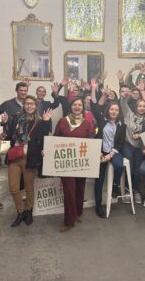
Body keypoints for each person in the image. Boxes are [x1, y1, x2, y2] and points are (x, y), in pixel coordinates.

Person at [4, 95, 53, 227]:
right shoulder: (16, 118)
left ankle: (29, 211)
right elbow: (10, 134)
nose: (29, 106)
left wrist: (47, 121)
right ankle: (20, 212)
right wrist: (4, 125)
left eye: (32, 104)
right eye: (27, 104)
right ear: (23, 105)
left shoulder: (39, 120)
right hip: (14, 157)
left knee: (28, 187)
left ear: (36, 106)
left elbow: (43, 137)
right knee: (14, 188)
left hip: (29, 157)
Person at [54, 97, 92, 232]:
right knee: (69, 190)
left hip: (81, 161)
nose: (77, 107)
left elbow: (90, 142)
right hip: (66, 163)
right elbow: (55, 139)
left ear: (83, 107)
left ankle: (78, 213)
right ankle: (69, 221)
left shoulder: (87, 123)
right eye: (74, 104)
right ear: (71, 107)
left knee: (80, 187)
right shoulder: (62, 121)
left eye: (79, 105)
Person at [91, 87, 126, 218]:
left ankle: (116, 184)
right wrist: (94, 90)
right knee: (99, 179)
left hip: (113, 152)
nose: (114, 111)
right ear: (108, 110)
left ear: (119, 112)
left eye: (116, 110)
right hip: (101, 152)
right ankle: (98, 205)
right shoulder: (102, 121)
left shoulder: (122, 125)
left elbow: (121, 143)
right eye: (112, 109)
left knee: (119, 165)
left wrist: (111, 154)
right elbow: (94, 106)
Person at [120, 94, 145, 204]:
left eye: (144, 106)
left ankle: (136, 192)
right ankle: (127, 191)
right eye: (139, 106)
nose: (142, 108)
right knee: (129, 167)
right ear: (136, 107)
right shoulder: (129, 114)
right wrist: (126, 95)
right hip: (128, 145)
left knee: (137, 170)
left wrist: (141, 135)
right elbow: (122, 103)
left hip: (139, 147)